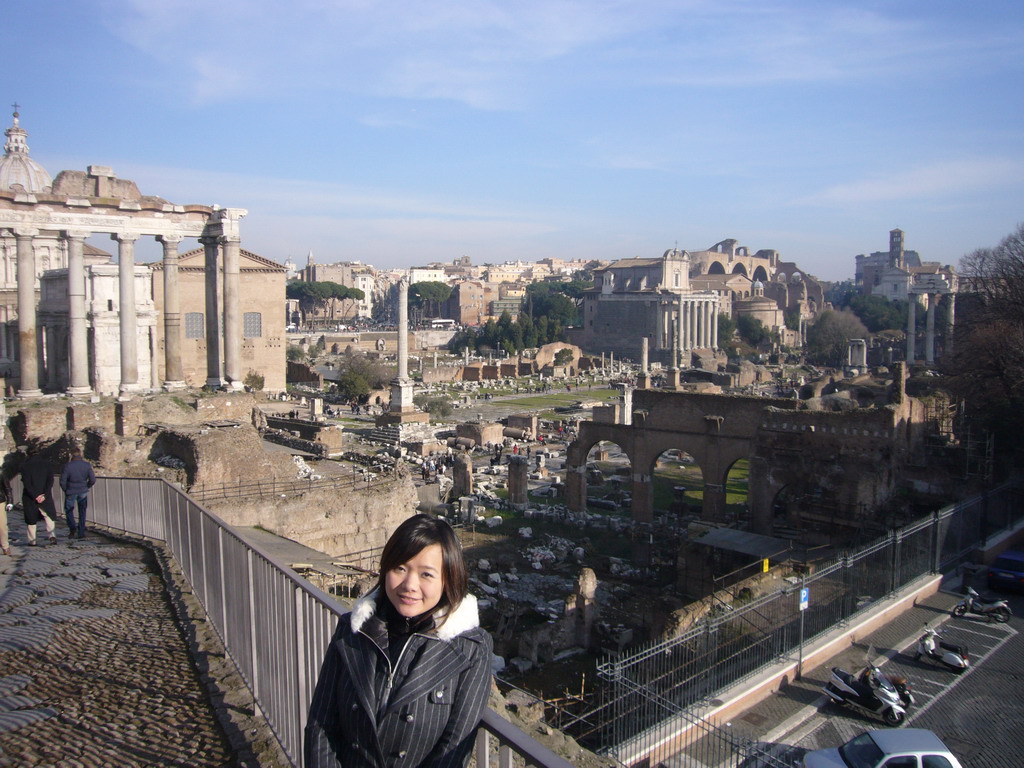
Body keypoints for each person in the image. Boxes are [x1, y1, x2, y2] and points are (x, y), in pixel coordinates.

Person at [305, 514, 493, 768]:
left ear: (448, 579)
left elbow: (452, 750)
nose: (409, 585)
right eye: (400, 569)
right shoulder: (352, 631)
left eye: (426, 574)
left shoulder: (470, 648)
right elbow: (321, 725)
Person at [19, 443, 57, 546]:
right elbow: (50, 481)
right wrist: (44, 494)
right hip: (45, 494)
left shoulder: (25, 466)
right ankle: (52, 535)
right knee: (48, 515)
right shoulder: (47, 464)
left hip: (30, 496)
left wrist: (35, 495)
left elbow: (26, 483)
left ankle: (32, 540)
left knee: (31, 519)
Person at [60, 446, 96, 539]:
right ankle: (81, 532)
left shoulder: (68, 466)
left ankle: (72, 529)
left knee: (69, 510)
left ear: (71, 455)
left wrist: (65, 489)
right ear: (80, 454)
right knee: (82, 511)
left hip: (70, 490)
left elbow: (63, 480)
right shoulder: (87, 465)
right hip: (82, 490)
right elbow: (92, 479)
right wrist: (87, 486)